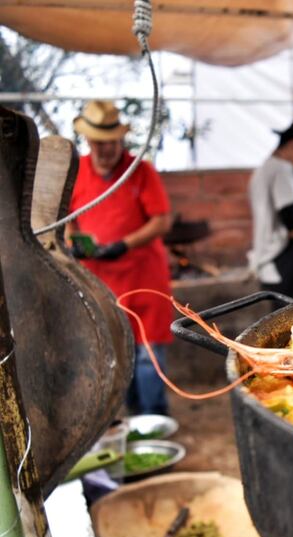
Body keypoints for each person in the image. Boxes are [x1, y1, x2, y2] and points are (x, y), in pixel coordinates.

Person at [69, 100, 173, 416]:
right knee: (115, 354)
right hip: (100, 284)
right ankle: (130, 419)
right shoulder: (76, 172)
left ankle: (153, 418)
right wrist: (73, 242)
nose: (106, 150)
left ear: (121, 140)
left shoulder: (140, 170)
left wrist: (124, 245)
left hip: (143, 279)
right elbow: (67, 219)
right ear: (89, 141)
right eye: (99, 143)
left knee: (148, 356)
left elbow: (161, 221)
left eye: (112, 142)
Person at [248, 121, 293, 300]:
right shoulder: (282, 169)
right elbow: (291, 219)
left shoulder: (261, 171)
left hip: (267, 259)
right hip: (283, 258)